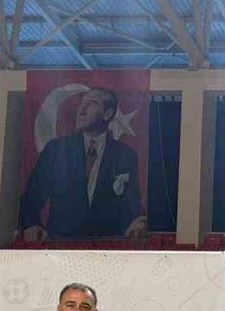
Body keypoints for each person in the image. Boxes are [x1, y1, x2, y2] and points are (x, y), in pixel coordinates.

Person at [19, 87, 147, 241]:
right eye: (81, 103)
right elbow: (32, 196)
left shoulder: (126, 155)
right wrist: (31, 224)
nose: (81, 109)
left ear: (108, 114)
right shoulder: (56, 149)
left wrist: (135, 223)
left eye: (91, 103)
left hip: (106, 245)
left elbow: (131, 202)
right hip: (61, 244)